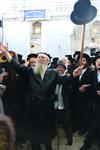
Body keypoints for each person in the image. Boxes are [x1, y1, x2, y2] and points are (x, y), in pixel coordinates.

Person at [0, 43, 83, 150]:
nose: (40, 59)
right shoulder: (30, 72)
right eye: (38, 57)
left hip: (47, 108)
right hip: (32, 108)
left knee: (47, 135)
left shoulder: (53, 73)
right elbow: (17, 67)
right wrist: (6, 53)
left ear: (48, 62)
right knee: (34, 136)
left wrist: (74, 75)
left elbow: (65, 81)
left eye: (43, 58)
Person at [79, 55, 100, 150]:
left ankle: (88, 143)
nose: (99, 62)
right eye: (97, 61)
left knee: (95, 123)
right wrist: (86, 87)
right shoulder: (93, 72)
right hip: (93, 102)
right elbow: (92, 85)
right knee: (94, 122)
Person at [55, 62, 73, 145]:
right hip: (54, 106)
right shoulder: (53, 79)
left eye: (61, 68)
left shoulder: (67, 80)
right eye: (58, 67)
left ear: (64, 70)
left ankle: (70, 140)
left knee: (66, 125)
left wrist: (66, 79)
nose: (59, 69)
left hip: (63, 107)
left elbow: (70, 91)